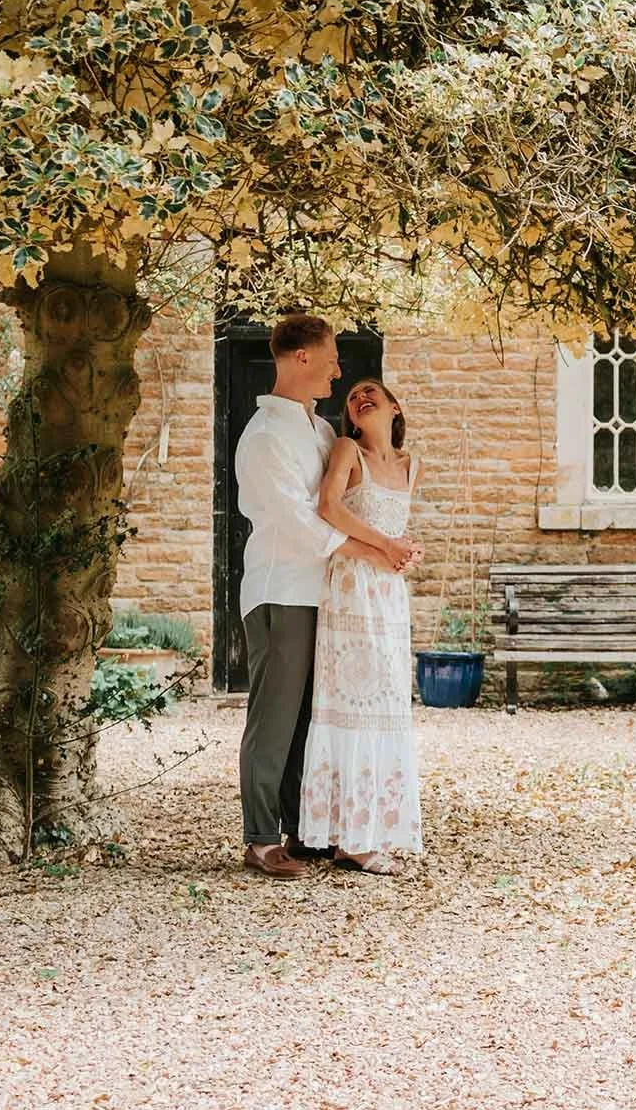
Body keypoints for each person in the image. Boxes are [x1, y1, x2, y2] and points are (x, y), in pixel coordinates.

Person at [233, 314, 419, 879]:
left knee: (310, 719)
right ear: (303, 359)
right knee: (274, 717)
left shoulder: (317, 431)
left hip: (328, 597)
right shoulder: (265, 437)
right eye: (333, 357)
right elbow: (295, 521)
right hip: (281, 589)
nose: (340, 370)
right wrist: (377, 552)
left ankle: (303, 829)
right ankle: (261, 837)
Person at [301, 377, 425, 875]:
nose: (360, 397)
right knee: (351, 704)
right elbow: (328, 509)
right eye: (352, 396)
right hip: (351, 588)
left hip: (390, 596)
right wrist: (384, 547)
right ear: (350, 417)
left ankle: (367, 829)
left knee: (387, 703)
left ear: (395, 406)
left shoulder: (411, 465)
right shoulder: (346, 449)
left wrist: (405, 549)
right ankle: (348, 838)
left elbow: (396, 531)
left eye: (372, 390)